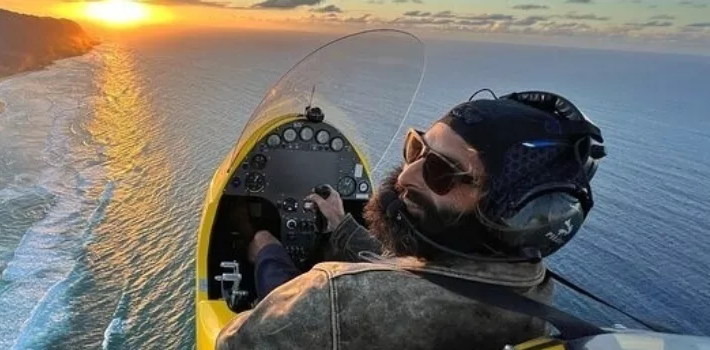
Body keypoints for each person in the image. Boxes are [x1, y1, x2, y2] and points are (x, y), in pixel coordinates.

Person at [217, 91, 606, 349]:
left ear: (515, 215)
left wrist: (267, 249)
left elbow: (230, 342)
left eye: (441, 172)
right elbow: (425, 275)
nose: (405, 176)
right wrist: (340, 225)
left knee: (267, 246)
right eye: (416, 147)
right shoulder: (532, 293)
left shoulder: (332, 296)